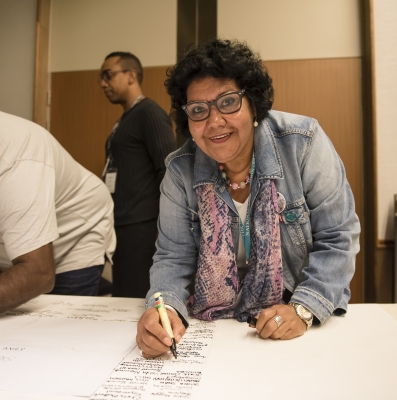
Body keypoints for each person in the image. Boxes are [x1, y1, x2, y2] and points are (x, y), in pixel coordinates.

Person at [136, 39, 361, 358]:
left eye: (228, 102)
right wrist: (165, 309)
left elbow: (339, 237)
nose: (213, 122)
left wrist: (304, 309)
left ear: (254, 105)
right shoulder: (179, 170)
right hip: (213, 328)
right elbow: (173, 257)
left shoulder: (302, 143)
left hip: (293, 319)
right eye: (198, 110)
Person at [0, 112, 116, 312]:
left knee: (60, 327)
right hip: (13, 246)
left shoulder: (17, 155)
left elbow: (37, 272)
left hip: (76, 232)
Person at [99, 52, 177, 298]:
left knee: (135, 298)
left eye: (108, 75)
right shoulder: (125, 118)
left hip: (142, 227)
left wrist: (164, 226)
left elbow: (169, 170)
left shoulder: (149, 113)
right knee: (121, 296)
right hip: (121, 225)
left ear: (131, 75)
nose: (103, 83)